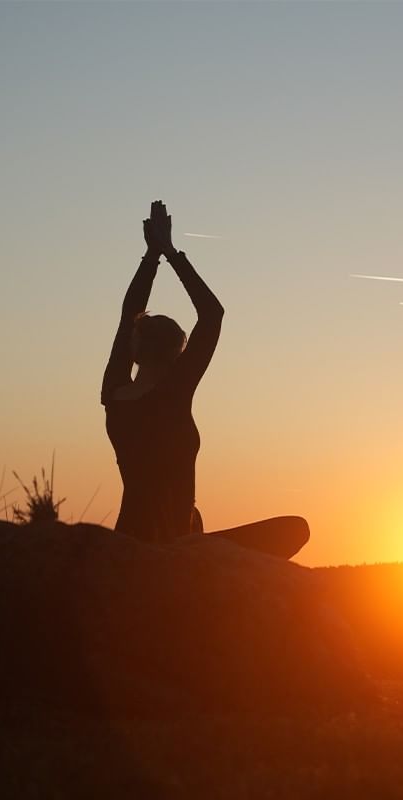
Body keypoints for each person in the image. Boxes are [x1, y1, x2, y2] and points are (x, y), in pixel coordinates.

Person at [101, 200, 309, 560]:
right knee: (296, 528)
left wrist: (151, 257)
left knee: (198, 518)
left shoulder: (114, 393)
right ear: (177, 355)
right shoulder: (174, 391)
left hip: (129, 542)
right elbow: (212, 314)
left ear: (134, 351)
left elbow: (127, 316)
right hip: (177, 547)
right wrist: (169, 252)